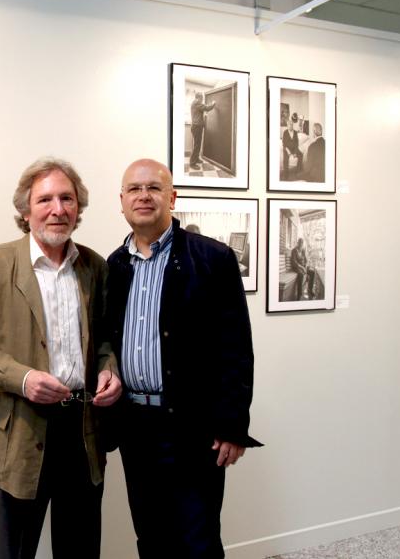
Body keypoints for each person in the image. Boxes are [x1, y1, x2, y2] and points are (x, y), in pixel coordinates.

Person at [0, 157, 122, 559]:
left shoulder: (95, 267)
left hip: (83, 429)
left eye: (67, 198)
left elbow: (105, 341)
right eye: (45, 199)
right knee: (14, 548)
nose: (58, 209)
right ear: (25, 210)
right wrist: (24, 379)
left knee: (80, 546)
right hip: (21, 429)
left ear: (78, 208)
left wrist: (109, 369)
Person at [106, 158, 261, 558]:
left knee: (197, 539)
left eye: (154, 188)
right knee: (151, 535)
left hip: (193, 426)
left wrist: (232, 424)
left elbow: (236, 348)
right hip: (135, 426)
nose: (144, 196)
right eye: (134, 189)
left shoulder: (212, 259)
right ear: (121, 201)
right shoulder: (114, 266)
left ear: (172, 198)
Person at [189, 92, 216, 171]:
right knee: (197, 145)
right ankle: (192, 163)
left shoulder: (195, 103)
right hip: (196, 127)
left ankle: (196, 158)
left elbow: (201, 111)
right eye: (202, 98)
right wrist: (213, 103)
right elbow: (207, 108)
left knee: (198, 144)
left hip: (197, 127)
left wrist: (204, 115)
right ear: (198, 97)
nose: (202, 99)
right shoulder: (197, 102)